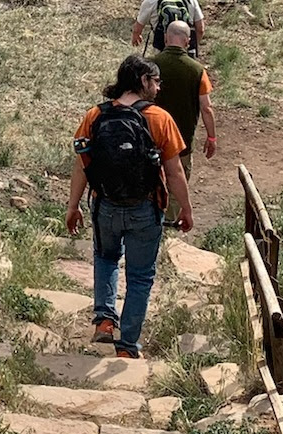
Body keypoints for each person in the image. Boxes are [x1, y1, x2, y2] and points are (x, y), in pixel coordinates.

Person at [65, 54, 193, 359]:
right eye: (156, 80)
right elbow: (174, 172)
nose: (160, 88)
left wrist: (72, 206)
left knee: (106, 259)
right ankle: (127, 346)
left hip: (105, 205)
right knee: (139, 276)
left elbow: (82, 165)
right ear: (143, 81)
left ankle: (105, 321)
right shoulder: (160, 119)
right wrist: (185, 208)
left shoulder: (95, 115)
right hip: (145, 208)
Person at [153, 20, 216, 170]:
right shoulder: (197, 70)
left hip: (152, 140)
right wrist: (211, 137)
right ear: (187, 41)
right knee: (178, 184)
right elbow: (206, 108)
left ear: (165, 38)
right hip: (182, 142)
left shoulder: (150, 65)